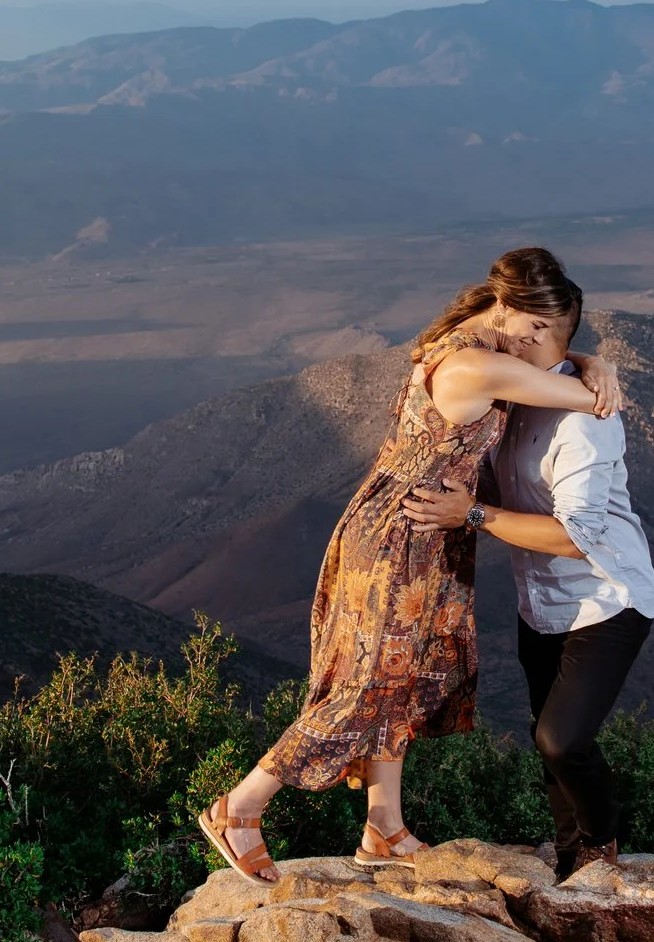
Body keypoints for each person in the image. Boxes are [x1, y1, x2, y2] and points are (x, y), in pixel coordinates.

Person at [197, 247, 622, 884]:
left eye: (547, 331)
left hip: (426, 528)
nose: (539, 341)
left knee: (399, 678)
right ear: (504, 307)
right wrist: (600, 365)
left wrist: (588, 356)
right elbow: (590, 398)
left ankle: (385, 827)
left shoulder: (478, 334)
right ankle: (241, 807)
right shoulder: (477, 364)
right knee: (366, 683)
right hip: (401, 535)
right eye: (533, 327)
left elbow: (563, 369)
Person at [398, 260, 654, 880]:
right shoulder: (515, 398)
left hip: (606, 600)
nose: (509, 338)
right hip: (538, 605)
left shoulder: (584, 426)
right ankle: (571, 857)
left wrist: (474, 515)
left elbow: (575, 541)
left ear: (545, 335)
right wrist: (596, 362)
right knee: (546, 736)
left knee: (562, 739)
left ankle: (601, 844)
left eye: (530, 331)